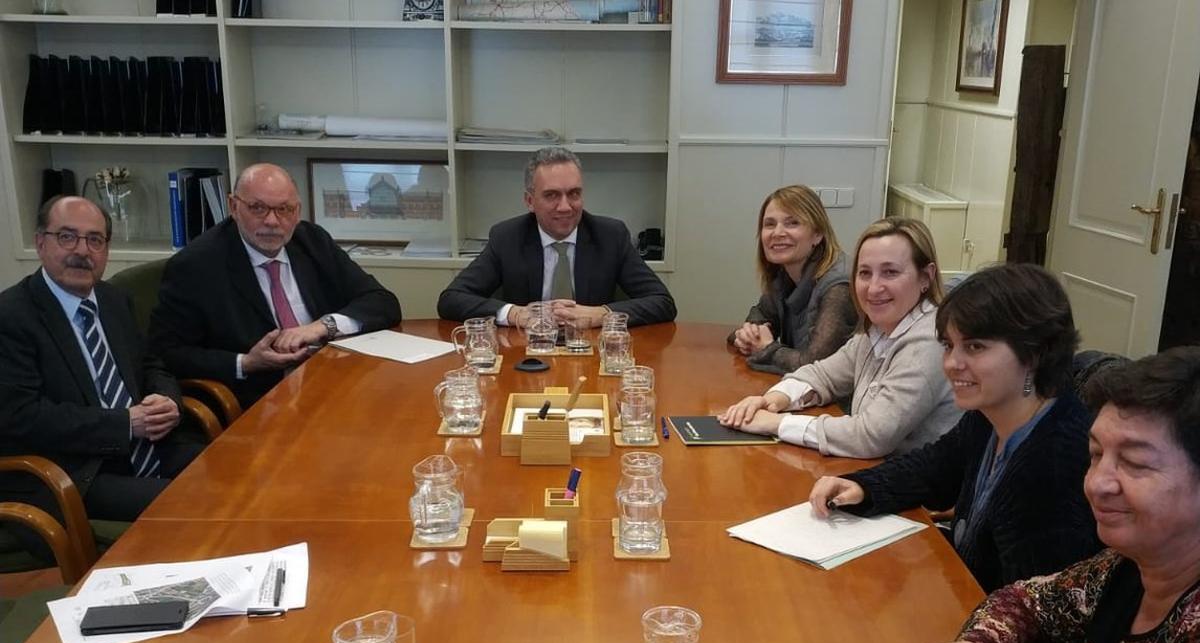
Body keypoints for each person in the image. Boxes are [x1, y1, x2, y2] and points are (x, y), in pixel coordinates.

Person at [808, 264, 1100, 593]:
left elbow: (1035, 609)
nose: (951, 363)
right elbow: (934, 467)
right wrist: (862, 487)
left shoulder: (1056, 461)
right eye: (949, 345)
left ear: (1033, 352)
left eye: (974, 347)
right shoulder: (990, 415)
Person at [911, 346, 1200, 643]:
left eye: (1134, 463)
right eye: (1095, 454)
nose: (1096, 484)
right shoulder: (1126, 566)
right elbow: (1030, 603)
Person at [0, 196, 204, 531]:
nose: (82, 251)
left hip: (146, 447)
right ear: (40, 243)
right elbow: (22, 417)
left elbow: (151, 363)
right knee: (191, 502)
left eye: (95, 240)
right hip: (73, 472)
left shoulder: (113, 299)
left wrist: (167, 398)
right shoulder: (12, 317)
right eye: (67, 237)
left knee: (233, 473)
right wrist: (124, 423)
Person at [149, 163, 402, 408]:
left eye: (284, 209)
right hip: (258, 402)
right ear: (233, 206)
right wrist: (245, 363)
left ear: (297, 211)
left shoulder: (311, 240)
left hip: (331, 384)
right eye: (258, 208)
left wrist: (322, 327)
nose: (272, 221)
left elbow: (382, 302)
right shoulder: (196, 265)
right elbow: (167, 353)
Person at [719, 216, 959, 458]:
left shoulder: (929, 343)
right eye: (865, 273)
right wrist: (773, 399)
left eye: (890, 272)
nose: (874, 288)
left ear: (926, 277)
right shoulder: (879, 329)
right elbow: (823, 374)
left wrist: (775, 424)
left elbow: (870, 436)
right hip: (874, 477)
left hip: (917, 491)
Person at [436, 146, 676, 328]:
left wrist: (601, 314)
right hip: (526, 355)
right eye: (551, 195)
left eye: (574, 194)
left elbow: (663, 302)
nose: (565, 206)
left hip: (590, 354)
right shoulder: (507, 237)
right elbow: (451, 299)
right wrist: (514, 313)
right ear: (530, 201)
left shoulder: (610, 236)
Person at [729, 185, 857, 374]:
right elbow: (760, 315)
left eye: (792, 223)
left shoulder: (839, 288)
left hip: (839, 401)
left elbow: (815, 365)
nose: (777, 233)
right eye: (770, 224)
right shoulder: (785, 272)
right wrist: (749, 334)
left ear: (817, 234)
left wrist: (766, 348)